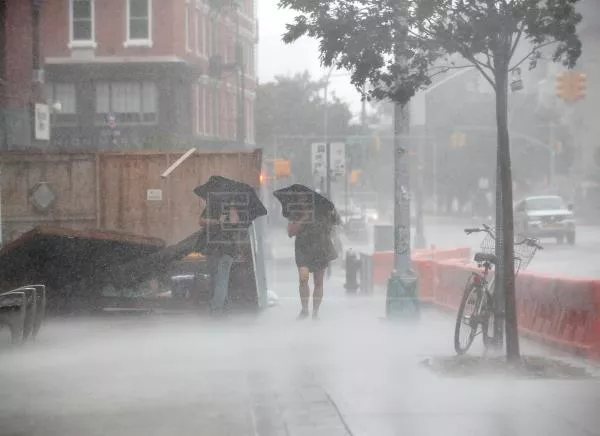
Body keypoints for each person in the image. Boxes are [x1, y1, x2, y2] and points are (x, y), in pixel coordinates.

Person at [287, 203, 337, 320]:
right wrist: (304, 219)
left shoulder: (323, 212)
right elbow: (290, 232)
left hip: (320, 248)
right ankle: (305, 310)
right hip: (303, 249)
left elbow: (332, 227)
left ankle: (315, 312)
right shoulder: (296, 212)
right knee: (303, 280)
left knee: (318, 282)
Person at [199, 203, 240, 316]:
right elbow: (201, 221)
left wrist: (227, 216)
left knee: (220, 279)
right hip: (216, 249)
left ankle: (216, 308)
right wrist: (217, 221)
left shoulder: (232, 208)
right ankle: (224, 306)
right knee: (217, 279)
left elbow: (234, 224)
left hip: (224, 250)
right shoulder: (212, 206)